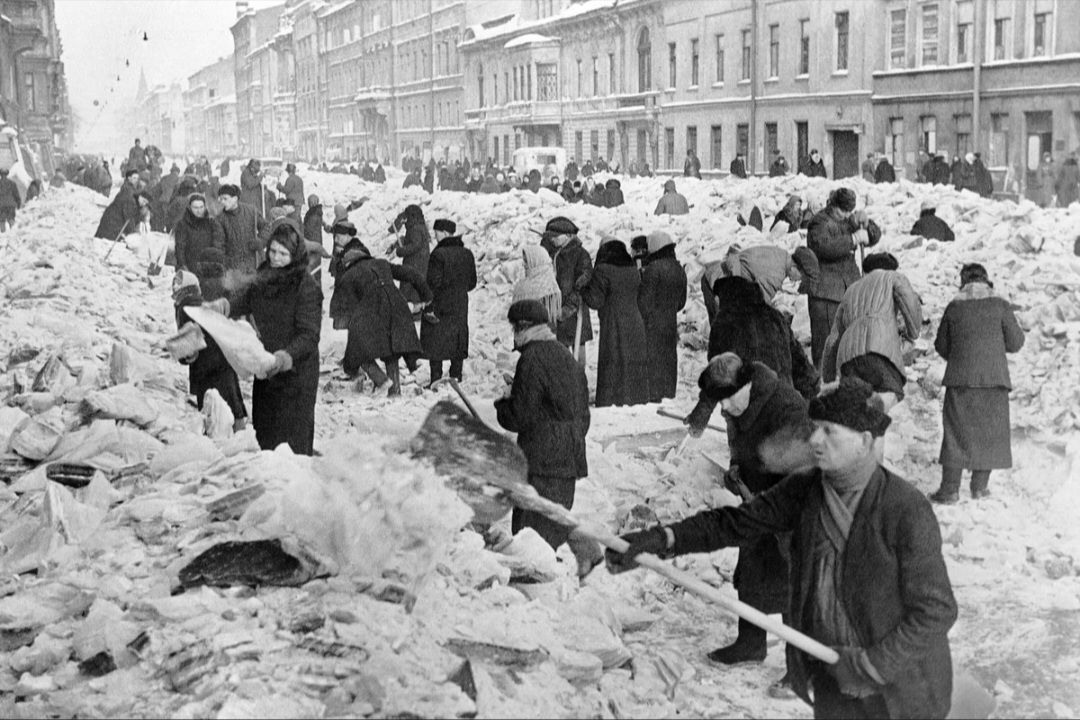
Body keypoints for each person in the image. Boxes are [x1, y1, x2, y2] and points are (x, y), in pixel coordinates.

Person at [607, 376, 958, 720]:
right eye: (815, 428)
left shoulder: (904, 509)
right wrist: (663, 538)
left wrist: (871, 666)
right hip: (835, 679)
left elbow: (936, 611)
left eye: (830, 431)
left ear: (865, 441)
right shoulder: (807, 490)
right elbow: (736, 523)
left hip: (900, 691)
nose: (815, 440)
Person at [684, 353, 810, 675]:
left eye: (727, 400)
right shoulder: (741, 404)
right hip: (758, 502)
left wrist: (778, 504)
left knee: (791, 580)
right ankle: (751, 643)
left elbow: (804, 465)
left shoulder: (786, 407)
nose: (723, 408)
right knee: (753, 572)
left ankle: (801, 664)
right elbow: (741, 446)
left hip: (790, 505)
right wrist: (736, 469)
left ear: (745, 386)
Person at [495, 299, 599, 574]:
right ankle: (586, 553)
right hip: (569, 456)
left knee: (530, 537)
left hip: (541, 459)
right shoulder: (566, 356)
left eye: (514, 329)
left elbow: (520, 416)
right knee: (553, 518)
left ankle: (547, 578)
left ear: (522, 328)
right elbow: (582, 413)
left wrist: (504, 402)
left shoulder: (531, 359)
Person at [930, 263, 1024, 503]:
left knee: (955, 433)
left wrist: (960, 357)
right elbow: (1016, 342)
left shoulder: (954, 306)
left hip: (960, 380)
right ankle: (980, 488)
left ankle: (950, 490)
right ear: (987, 280)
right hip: (994, 380)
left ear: (963, 282)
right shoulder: (1000, 305)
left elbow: (941, 345)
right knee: (989, 433)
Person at [230, 218, 322, 454]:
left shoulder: (306, 285)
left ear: (294, 254)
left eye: (283, 253)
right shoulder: (264, 275)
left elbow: (309, 335)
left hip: (296, 373)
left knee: (292, 442)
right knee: (266, 435)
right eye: (272, 251)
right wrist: (224, 307)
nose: (275, 258)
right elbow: (246, 299)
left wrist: (284, 358)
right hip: (267, 367)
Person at [821, 253, 922, 411]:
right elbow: (909, 301)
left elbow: (832, 340)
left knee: (856, 403)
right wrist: (913, 331)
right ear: (891, 269)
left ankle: (863, 413)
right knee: (892, 391)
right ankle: (880, 403)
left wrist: (828, 378)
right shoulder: (892, 277)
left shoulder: (850, 291)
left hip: (847, 356)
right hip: (878, 348)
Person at [336, 231, 431, 396]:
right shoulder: (381, 263)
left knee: (357, 348)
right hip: (398, 305)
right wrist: (426, 296)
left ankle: (380, 380)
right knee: (391, 347)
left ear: (348, 263)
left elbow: (349, 307)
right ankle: (395, 392)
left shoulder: (349, 275)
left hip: (374, 309)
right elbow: (412, 274)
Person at [703, 275, 820, 403]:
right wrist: (812, 391)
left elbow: (717, 373)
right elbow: (799, 362)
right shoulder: (775, 317)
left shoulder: (723, 323)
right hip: (782, 400)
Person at [803, 187, 881, 366]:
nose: (845, 215)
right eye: (842, 210)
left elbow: (874, 236)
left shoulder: (847, 220)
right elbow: (825, 247)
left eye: (849, 211)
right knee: (826, 346)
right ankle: (823, 380)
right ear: (833, 205)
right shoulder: (819, 222)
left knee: (848, 344)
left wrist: (867, 224)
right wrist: (853, 239)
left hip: (848, 292)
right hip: (826, 295)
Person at [171, 265, 247, 426]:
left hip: (207, 366)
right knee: (231, 403)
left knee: (213, 409)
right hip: (220, 359)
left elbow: (188, 346)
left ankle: (227, 435)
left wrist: (182, 354)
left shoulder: (185, 307)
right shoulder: (198, 303)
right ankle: (238, 432)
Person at [582, 239, 650, 407]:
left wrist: (583, 289)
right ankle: (634, 399)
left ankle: (612, 401)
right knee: (632, 363)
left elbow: (595, 301)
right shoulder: (632, 268)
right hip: (635, 321)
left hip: (614, 323)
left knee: (613, 364)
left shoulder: (603, 270)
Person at [421, 219, 477, 385]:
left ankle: (436, 379)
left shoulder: (438, 254)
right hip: (460, 303)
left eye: (436, 232)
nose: (435, 236)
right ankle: (456, 376)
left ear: (445, 233)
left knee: (435, 340)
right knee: (457, 339)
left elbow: (432, 283)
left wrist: (429, 304)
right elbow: (472, 283)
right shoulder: (467, 254)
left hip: (440, 303)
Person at [639, 231, 688, 401]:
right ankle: (668, 392)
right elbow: (682, 302)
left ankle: (654, 395)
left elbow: (644, 302)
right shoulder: (679, 268)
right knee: (669, 358)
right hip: (670, 322)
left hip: (652, 324)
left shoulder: (653, 268)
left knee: (653, 359)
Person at [540, 217, 594, 363]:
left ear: (569, 236)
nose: (553, 240)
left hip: (575, 312)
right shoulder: (553, 253)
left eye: (556, 236)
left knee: (578, 350)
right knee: (560, 352)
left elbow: (583, 284)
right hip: (557, 311)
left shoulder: (581, 255)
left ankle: (579, 376)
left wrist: (568, 308)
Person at [722, 244, 820, 303]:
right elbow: (761, 302)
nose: (798, 281)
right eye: (800, 277)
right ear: (794, 268)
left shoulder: (780, 254)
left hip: (727, 267)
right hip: (724, 282)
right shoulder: (777, 275)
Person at [215, 183, 268, 276]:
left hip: (255, 261)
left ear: (235, 198)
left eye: (225, 199)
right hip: (234, 267)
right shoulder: (220, 219)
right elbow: (219, 244)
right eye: (221, 199)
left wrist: (261, 241)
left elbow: (266, 227)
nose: (222, 202)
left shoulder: (251, 211)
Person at [387, 204, 432, 306]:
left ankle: (410, 309)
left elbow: (414, 245)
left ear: (412, 216)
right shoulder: (419, 227)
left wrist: (399, 251)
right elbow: (412, 241)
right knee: (414, 288)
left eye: (407, 215)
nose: (405, 219)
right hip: (418, 263)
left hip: (415, 264)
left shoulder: (415, 229)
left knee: (410, 288)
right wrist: (397, 244)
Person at [513, 244, 562, 332]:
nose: (524, 265)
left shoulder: (549, 286)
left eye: (527, 261)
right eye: (524, 261)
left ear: (536, 261)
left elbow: (551, 318)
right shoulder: (522, 284)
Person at [173, 194, 225, 273]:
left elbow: (218, 242)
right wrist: (183, 265)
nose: (199, 211)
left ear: (204, 207)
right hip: (189, 266)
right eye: (195, 207)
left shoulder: (212, 223)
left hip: (207, 266)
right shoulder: (182, 225)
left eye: (201, 207)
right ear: (190, 207)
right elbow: (180, 247)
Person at [94, 168, 142, 239]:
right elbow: (128, 215)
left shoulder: (127, 188)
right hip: (113, 225)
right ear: (129, 178)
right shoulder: (128, 192)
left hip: (110, 220)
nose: (136, 180)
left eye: (137, 178)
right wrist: (132, 233)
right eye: (134, 178)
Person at [302, 193, 325, 258]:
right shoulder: (315, 211)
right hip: (316, 241)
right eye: (309, 202)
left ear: (315, 202)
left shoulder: (313, 214)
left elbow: (308, 228)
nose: (310, 204)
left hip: (312, 241)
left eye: (311, 202)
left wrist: (301, 228)